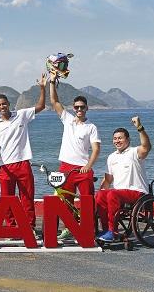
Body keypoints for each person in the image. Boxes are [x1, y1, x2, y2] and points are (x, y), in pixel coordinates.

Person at [0, 74, 47, 234]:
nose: (2, 107)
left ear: (9, 104)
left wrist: (42, 88)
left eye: (4, 104)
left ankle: (30, 227)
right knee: (7, 200)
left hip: (22, 163)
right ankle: (12, 227)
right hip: (5, 167)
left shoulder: (21, 115)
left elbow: (41, 106)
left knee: (27, 197)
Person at [48, 71, 101, 239]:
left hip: (83, 169)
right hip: (65, 167)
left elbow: (96, 149)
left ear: (86, 108)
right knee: (65, 202)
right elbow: (54, 101)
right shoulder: (68, 120)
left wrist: (88, 166)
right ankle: (69, 228)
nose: (79, 109)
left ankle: (89, 229)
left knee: (87, 201)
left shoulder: (91, 127)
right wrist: (52, 82)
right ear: (73, 108)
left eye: (82, 107)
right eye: (76, 107)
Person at [96, 116, 152, 242]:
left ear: (128, 139)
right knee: (101, 195)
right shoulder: (111, 157)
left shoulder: (134, 152)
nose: (117, 141)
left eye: (120, 138)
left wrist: (139, 127)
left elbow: (147, 146)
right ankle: (106, 230)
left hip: (137, 192)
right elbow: (108, 181)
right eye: (115, 139)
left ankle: (113, 231)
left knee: (111, 194)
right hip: (118, 194)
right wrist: (100, 193)